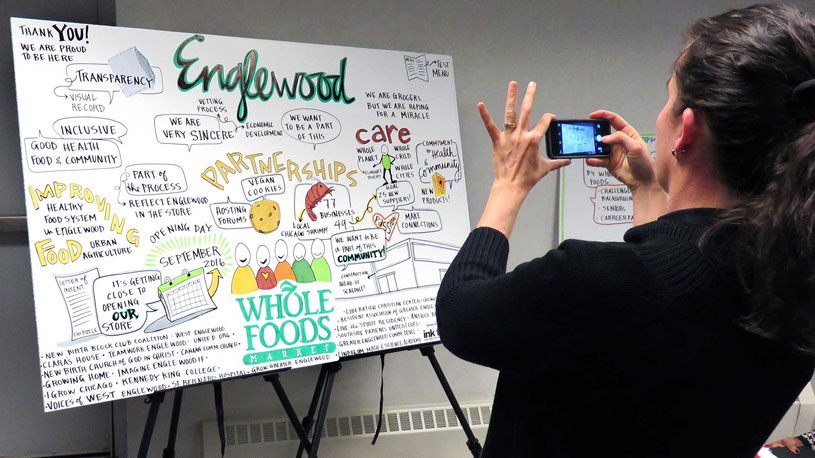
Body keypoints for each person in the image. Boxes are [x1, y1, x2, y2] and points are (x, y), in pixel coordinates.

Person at [435, 4, 815, 457]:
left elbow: (459, 315)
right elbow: (671, 310)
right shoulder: (797, 279)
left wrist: (507, 186)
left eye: (669, 98)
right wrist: (646, 191)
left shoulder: (587, 280)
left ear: (685, 130)